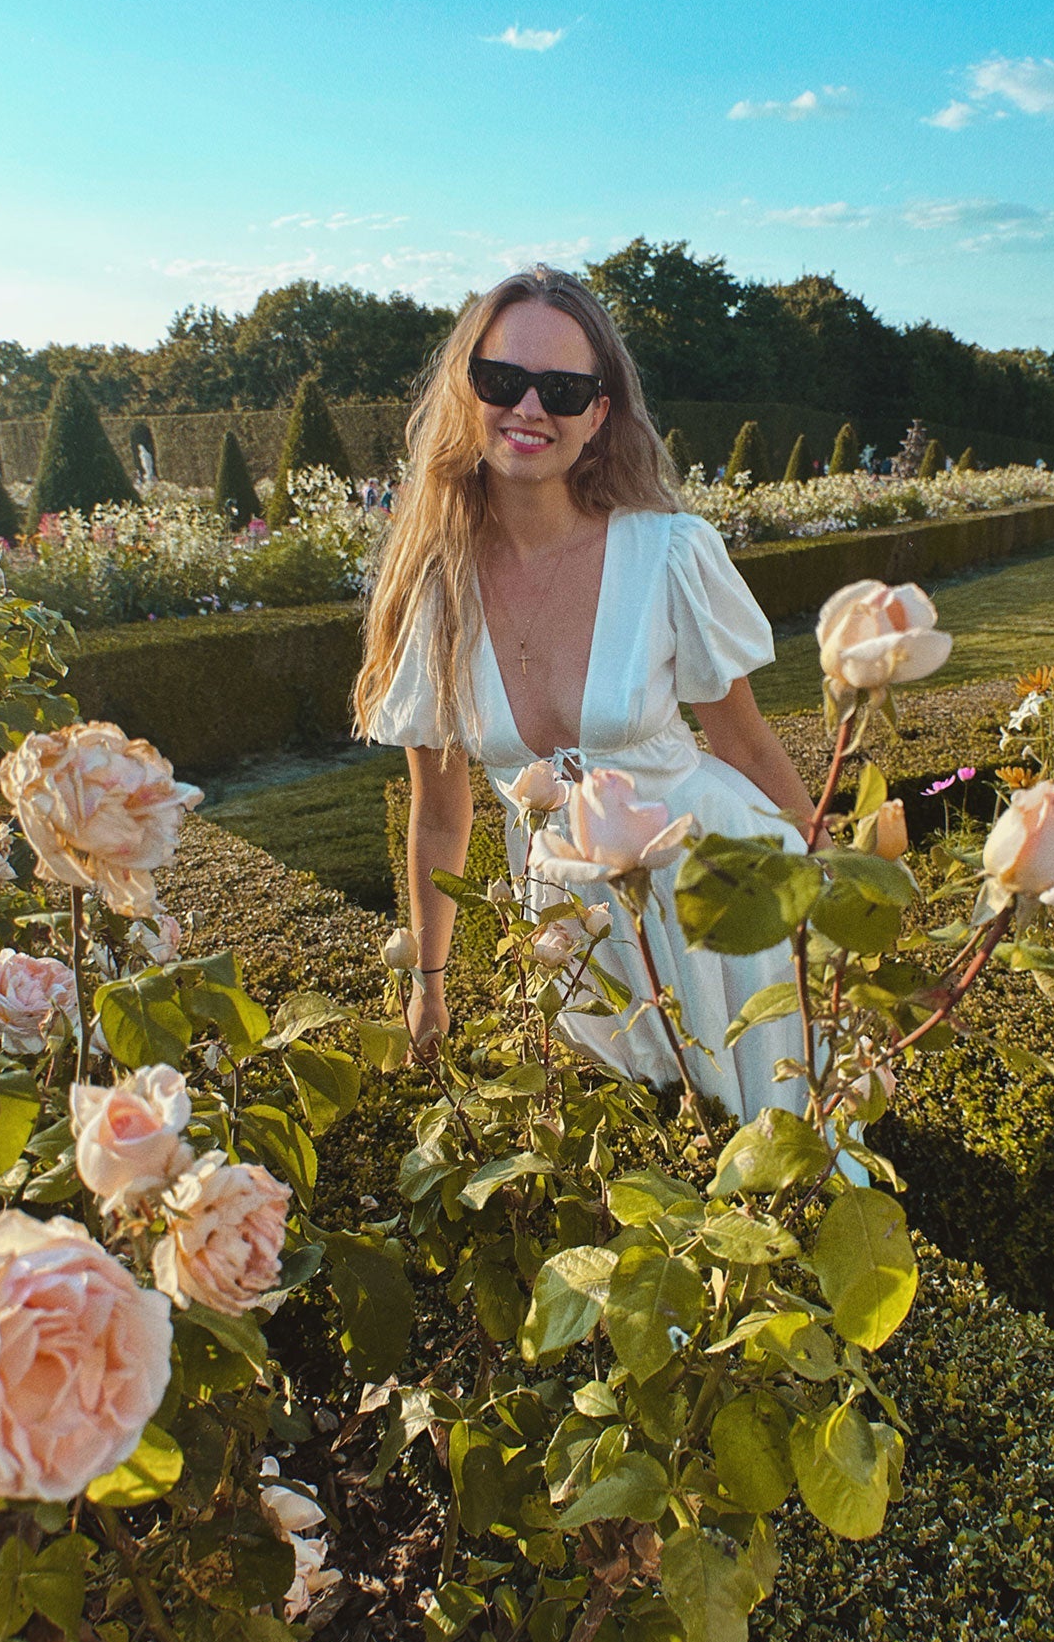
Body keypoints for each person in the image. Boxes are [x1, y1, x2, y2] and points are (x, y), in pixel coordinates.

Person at [352, 265, 826, 1124]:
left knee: (774, 1159)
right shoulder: (433, 597)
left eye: (563, 389)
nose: (530, 409)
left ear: (598, 415)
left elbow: (746, 746)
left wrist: (831, 885)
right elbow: (440, 814)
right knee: (628, 1180)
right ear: (469, 391)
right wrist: (429, 984)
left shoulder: (670, 553)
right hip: (571, 928)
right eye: (503, 380)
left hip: (720, 898)